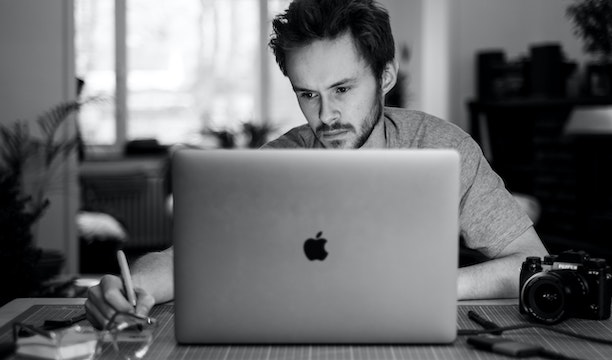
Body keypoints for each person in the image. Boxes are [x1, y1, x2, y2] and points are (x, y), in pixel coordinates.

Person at [85, 0, 548, 328]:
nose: (325, 115)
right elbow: (193, 257)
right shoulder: (278, 163)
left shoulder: (445, 147)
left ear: (385, 76)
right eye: (308, 94)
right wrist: (127, 287)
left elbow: (532, 261)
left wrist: (433, 287)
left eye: (342, 89)